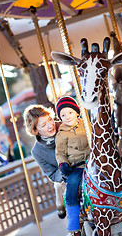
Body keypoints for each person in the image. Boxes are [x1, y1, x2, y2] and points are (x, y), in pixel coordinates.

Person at [23, 104, 66, 219]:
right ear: (35, 130)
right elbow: (52, 174)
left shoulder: (65, 127)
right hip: (67, 176)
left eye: (50, 119)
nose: (50, 125)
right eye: (43, 124)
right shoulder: (37, 151)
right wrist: (65, 170)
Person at [55, 96, 90, 234]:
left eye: (70, 112)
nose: (67, 117)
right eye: (63, 115)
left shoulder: (86, 124)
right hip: (79, 165)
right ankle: (74, 217)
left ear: (76, 111)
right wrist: (63, 163)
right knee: (72, 185)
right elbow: (60, 153)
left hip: (94, 159)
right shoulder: (61, 134)